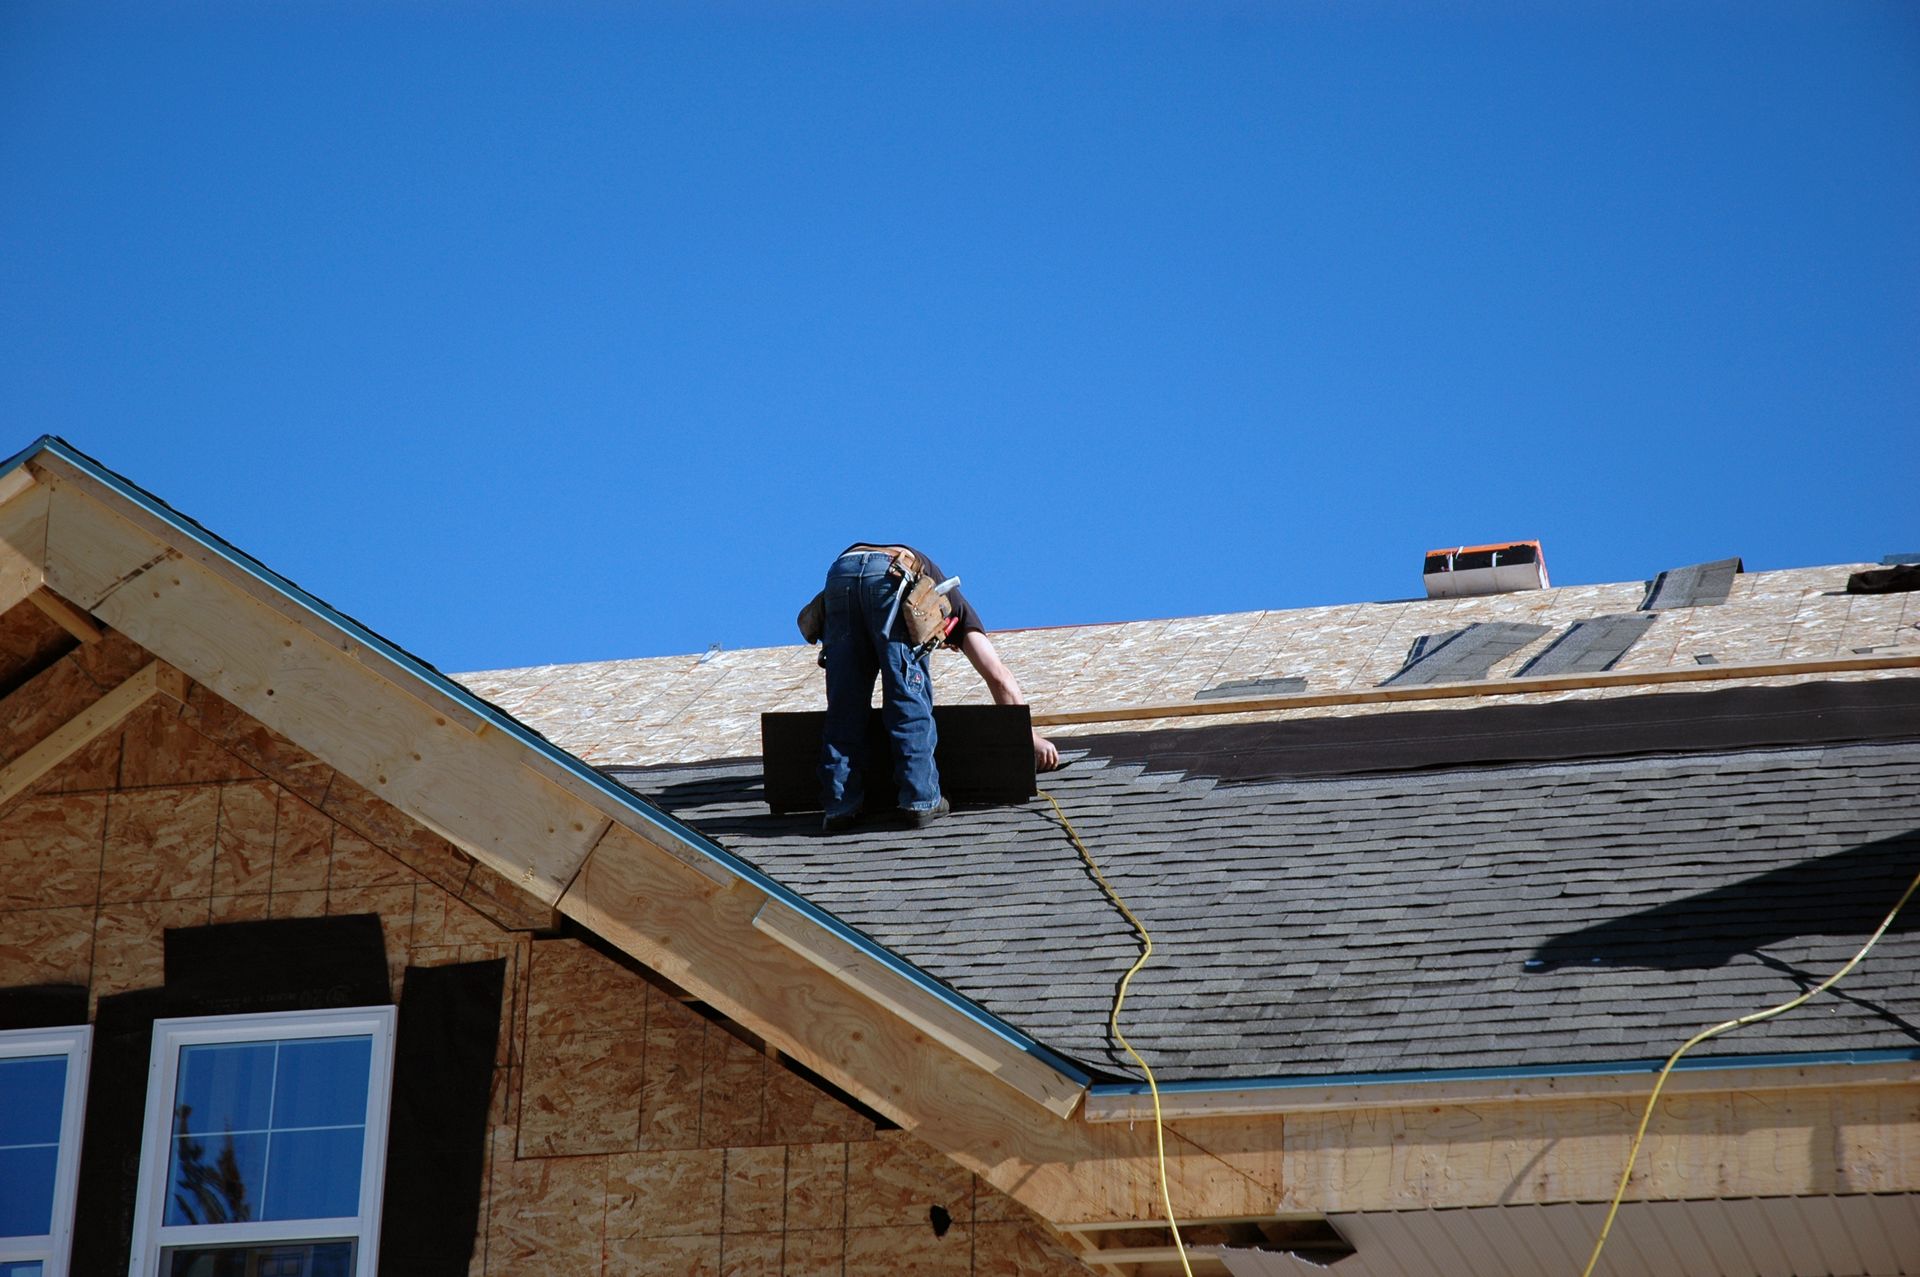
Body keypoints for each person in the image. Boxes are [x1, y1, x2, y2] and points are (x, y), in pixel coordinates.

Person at [818, 543, 1059, 833]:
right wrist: (1029, 736)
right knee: (907, 693)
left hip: (841, 573)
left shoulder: (934, 588)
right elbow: (998, 677)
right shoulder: (956, 608)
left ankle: (840, 805)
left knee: (844, 704)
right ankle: (920, 799)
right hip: (892, 576)